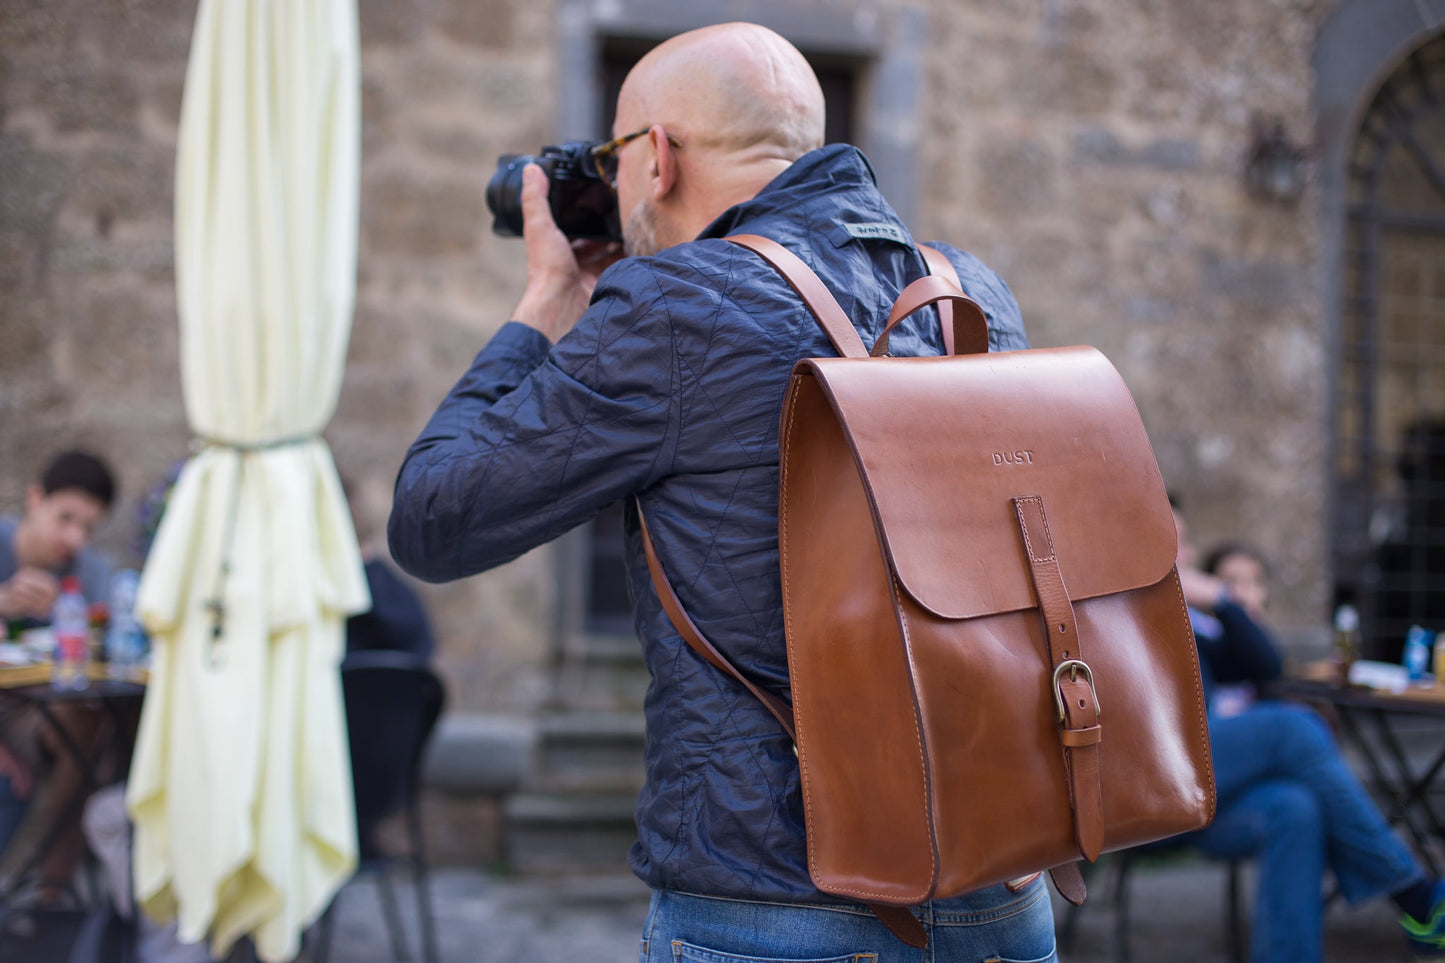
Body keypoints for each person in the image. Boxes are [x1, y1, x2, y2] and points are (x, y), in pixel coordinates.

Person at [388, 21, 1053, 962]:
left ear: (654, 157)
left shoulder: (671, 305)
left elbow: (433, 516)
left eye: (616, 158)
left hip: (777, 908)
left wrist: (545, 305)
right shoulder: (964, 286)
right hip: (999, 892)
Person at [1172, 496, 1445, 960]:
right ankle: (1414, 893)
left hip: (1211, 788)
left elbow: (1266, 664)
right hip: (1154, 788)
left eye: (1182, 545)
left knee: (1296, 808)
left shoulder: (1191, 620)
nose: (1180, 558)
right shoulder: (1118, 612)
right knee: (1292, 729)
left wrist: (1222, 601)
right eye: (1166, 543)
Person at [0, 450, 122, 905]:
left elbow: (104, 654)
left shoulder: (90, 575)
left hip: (36, 717)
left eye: (88, 528)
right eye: (65, 518)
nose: (73, 537)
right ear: (35, 499)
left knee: (89, 728)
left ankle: (52, 898)